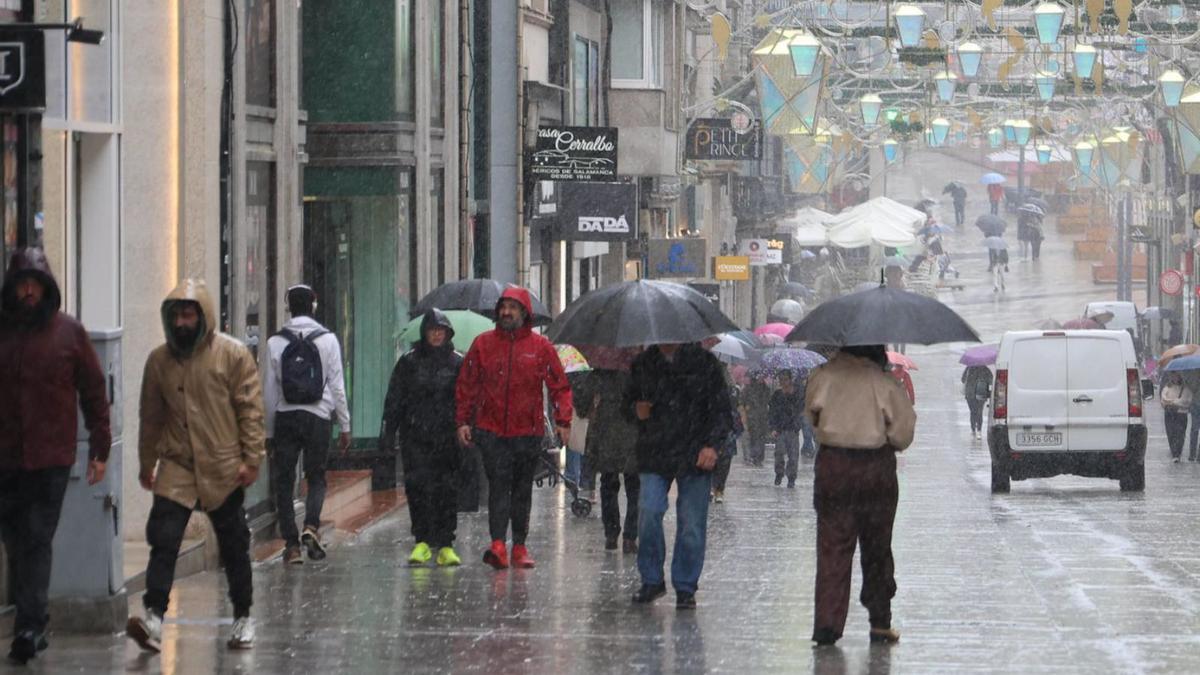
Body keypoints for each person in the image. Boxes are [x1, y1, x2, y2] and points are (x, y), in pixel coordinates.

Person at [128, 279, 265, 653]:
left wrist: (251, 459)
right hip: (177, 465)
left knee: (234, 543)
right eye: (176, 315)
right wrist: (146, 462)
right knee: (164, 539)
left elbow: (250, 410)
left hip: (223, 465)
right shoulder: (159, 362)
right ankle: (154, 614)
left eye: (189, 314)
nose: (182, 322)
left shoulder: (232, 356)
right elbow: (150, 416)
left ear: (203, 316)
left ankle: (243, 614)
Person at [0, 249, 111, 665]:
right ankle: (34, 619)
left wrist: (100, 449)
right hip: (7, 457)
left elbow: (94, 392)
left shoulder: (69, 334)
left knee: (37, 537)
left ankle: (29, 626)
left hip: (50, 457)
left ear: (46, 288)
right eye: (21, 285)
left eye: (35, 284)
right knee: (16, 540)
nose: (28, 292)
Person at [805, 344, 916, 647]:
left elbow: (813, 418)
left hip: (833, 468)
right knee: (877, 547)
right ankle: (880, 621)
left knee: (832, 547)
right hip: (874, 470)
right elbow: (902, 434)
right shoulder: (884, 383)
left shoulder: (822, 376)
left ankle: (827, 623)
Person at [455, 287, 572, 570]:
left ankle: (519, 545)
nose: (506, 312)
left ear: (524, 313)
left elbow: (559, 386)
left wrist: (563, 421)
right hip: (491, 430)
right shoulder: (483, 344)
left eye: (513, 307)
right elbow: (466, 384)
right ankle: (497, 544)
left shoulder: (540, 347)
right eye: (503, 307)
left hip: (527, 432)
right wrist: (462, 421)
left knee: (521, 489)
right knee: (498, 485)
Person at [626, 342, 732, 609]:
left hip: (695, 452)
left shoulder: (705, 364)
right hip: (655, 452)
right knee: (648, 512)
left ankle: (685, 586)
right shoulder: (644, 364)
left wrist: (712, 445)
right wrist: (636, 411)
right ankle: (652, 580)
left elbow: (721, 411)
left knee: (692, 524)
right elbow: (626, 404)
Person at [263, 285, 351, 565]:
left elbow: (268, 391)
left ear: (289, 307)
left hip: (287, 416)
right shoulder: (327, 340)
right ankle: (311, 526)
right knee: (316, 476)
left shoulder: (275, 342)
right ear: (313, 305)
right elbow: (337, 386)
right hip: (318, 416)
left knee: (284, 481)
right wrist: (345, 425)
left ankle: (290, 546)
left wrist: (268, 431)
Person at [381, 308, 465, 566]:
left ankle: (445, 542)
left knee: (447, 489)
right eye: (432, 330)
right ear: (424, 332)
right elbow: (394, 398)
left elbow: (465, 399)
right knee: (418, 487)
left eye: (441, 330)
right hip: (415, 437)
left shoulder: (457, 363)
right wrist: (388, 431)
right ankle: (422, 540)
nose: (437, 335)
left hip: (447, 438)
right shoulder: (409, 362)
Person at [581, 368, 640, 552]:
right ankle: (630, 536)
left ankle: (611, 533)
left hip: (607, 430)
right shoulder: (642, 366)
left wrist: (588, 408)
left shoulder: (603, 365)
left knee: (608, 483)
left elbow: (583, 397)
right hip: (634, 428)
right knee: (635, 486)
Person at [769, 370, 806, 488]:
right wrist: (773, 427)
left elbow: (801, 410)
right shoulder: (777, 395)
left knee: (793, 456)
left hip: (792, 429)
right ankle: (779, 473)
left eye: (785, 379)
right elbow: (772, 412)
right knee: (779, 454)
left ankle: (791, 478)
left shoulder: (798, 394)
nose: (783, 382)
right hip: (780, 429)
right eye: (781, 380)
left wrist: (797, 425)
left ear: (790, 380)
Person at [711, 385, 743, 504]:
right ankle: (713, 488)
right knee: (712, 465)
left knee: (723, 468)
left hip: (727, 445)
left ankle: (719, 490)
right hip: (713, 442)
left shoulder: (733, 414)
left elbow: (739, 429)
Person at [741, 374, 771, 467]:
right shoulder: (748, 389)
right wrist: (745, 415)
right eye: (759, 376)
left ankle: (759, 458)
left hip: (762, 418)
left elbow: (768, 401)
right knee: (755, 438)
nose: (761, 378)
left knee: (761, 438)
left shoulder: (766, 389)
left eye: (762, 376)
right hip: (752, 418)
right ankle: (755, 458)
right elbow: (742, 403)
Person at [1161, 372, 1191, 462]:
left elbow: (1188, 401)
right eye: (1173, 376)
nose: (1175, 378)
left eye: (1177, 376)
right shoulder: (1167, 388)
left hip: (1181, 414)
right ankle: (1174, 453)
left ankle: (1177, 453)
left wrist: (1174, 402)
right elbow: (1163, 400)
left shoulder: (1186, 389)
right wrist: (1175, 401)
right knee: (1171, 433)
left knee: (1180, 434)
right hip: (1169, 414)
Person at [962, 365, 993, 440]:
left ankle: (973, 429)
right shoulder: (985, 369)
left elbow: (963, 380)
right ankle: (979, 430)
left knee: (973, 412)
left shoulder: (969, 368)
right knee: (979, 412)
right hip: (981, 393)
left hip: (970, 394)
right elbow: (991, 380)